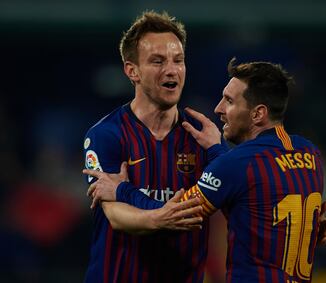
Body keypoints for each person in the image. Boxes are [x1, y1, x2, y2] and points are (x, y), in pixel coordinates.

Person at [84, 58, 326, 282]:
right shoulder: (310, 154)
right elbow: (255, 198)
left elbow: (176, 216)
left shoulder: (238, 163)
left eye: (229, 101)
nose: (218, 109)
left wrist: (121, 189)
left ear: (258, 114)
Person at [82, 10, 225, 283]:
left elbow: (234, 198)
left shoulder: (202, 137)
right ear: (131, 70)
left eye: (178, 60)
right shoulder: (106, 135)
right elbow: (115, 215)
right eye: (157, 61)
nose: (171, 70)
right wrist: (163, 218)